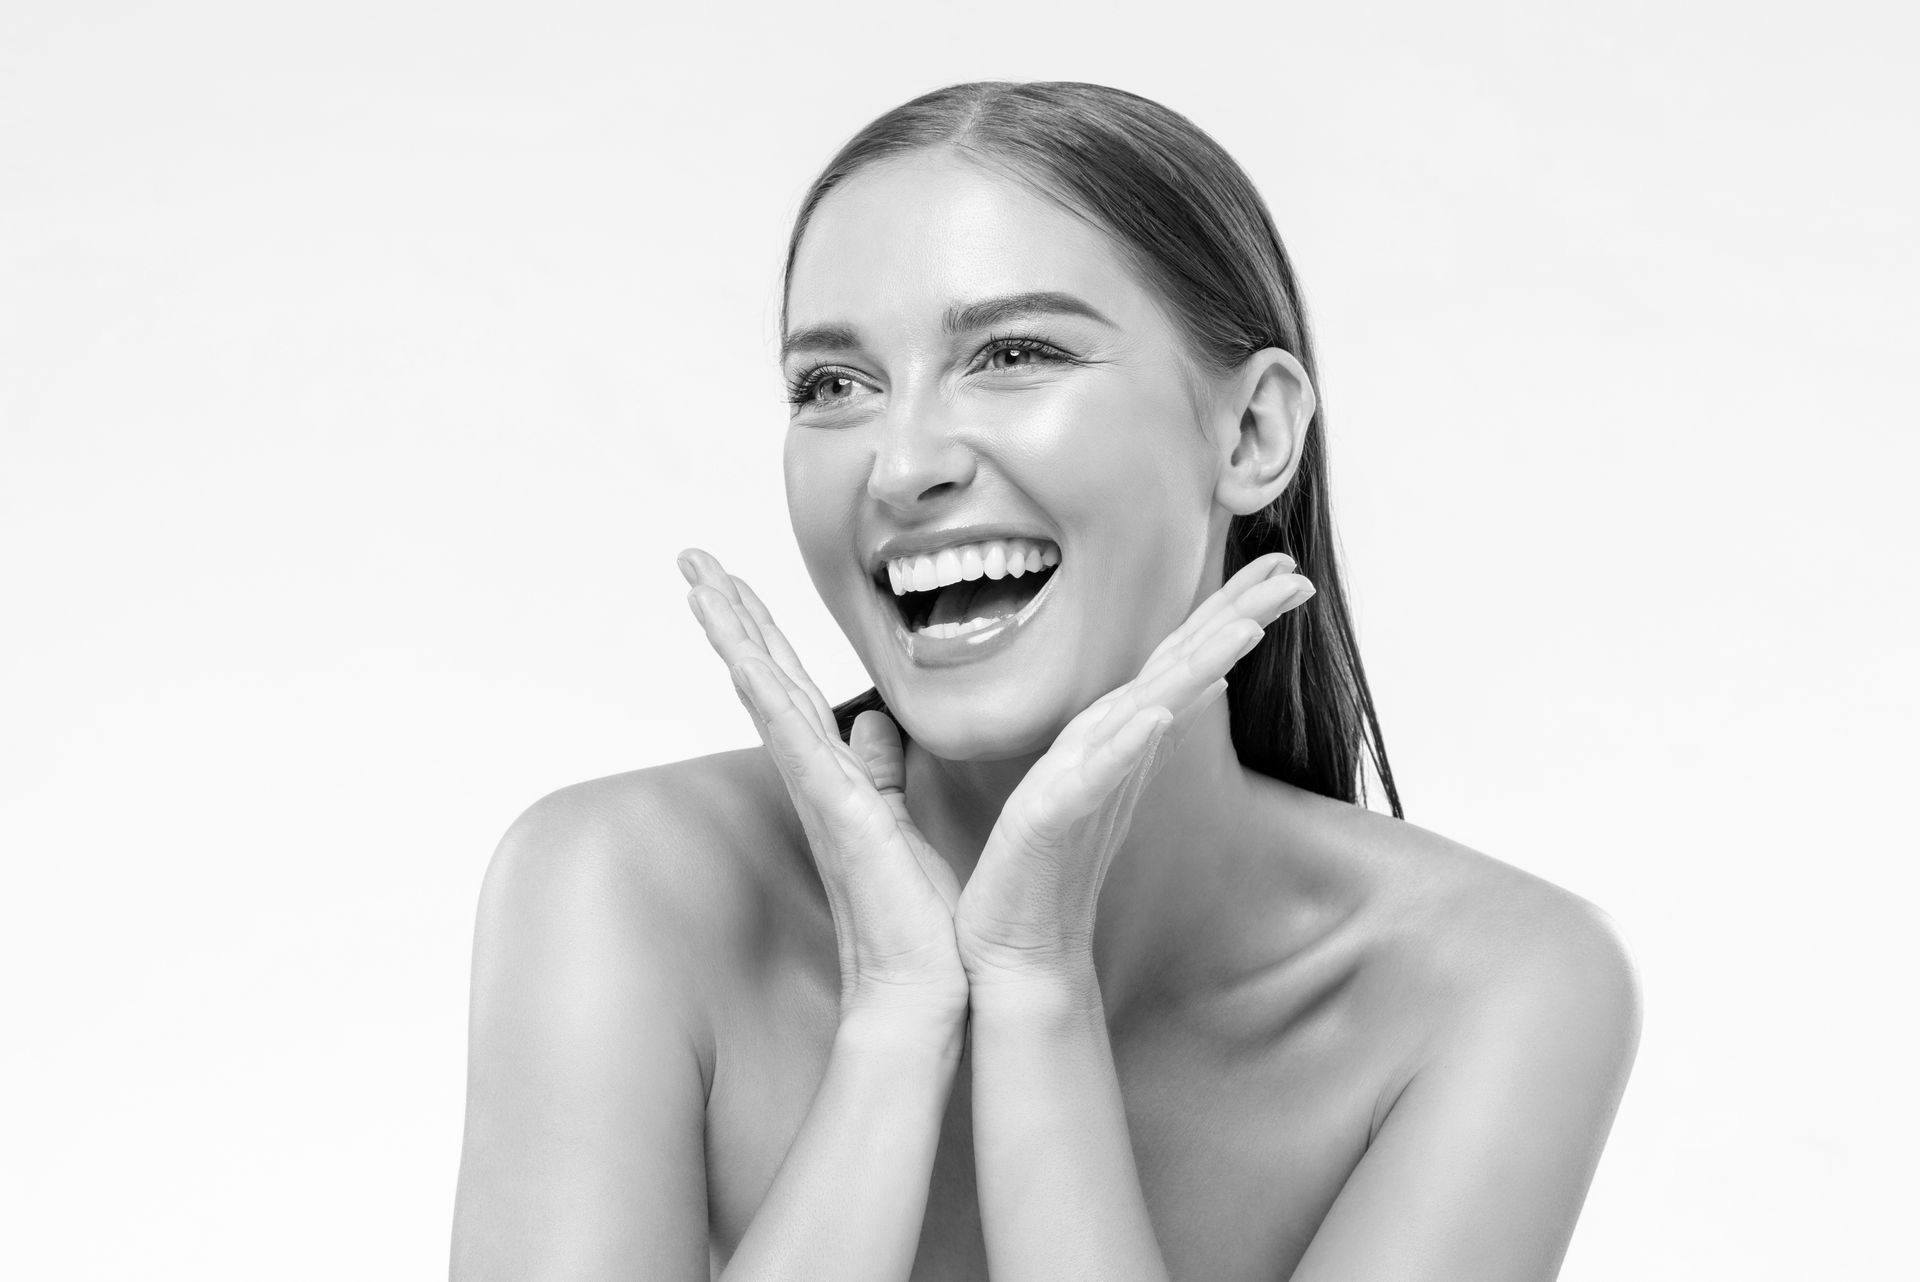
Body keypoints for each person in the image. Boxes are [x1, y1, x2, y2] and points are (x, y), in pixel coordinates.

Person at [450, 80, 1641, 1281]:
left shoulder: (1496, 986)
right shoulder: (620, 884)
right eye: (832, 385)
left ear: (1250, 437)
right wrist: (895, 1019)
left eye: (1014, 354)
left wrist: (1033, 988)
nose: (901, 464)